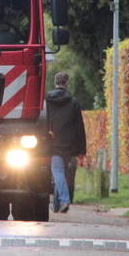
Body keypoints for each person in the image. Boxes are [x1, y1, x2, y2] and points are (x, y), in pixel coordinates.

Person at [46, 71, 87, 213]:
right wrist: (81, 151)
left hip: (52, 140)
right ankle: (57, 206)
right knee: (60, 173)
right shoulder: (74, 102)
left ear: (55, 82)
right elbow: (79, 127)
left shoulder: (47, 100)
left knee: (57, 172)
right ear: (67, 83)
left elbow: (44, 120)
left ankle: (64, 200)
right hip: (69, 144)